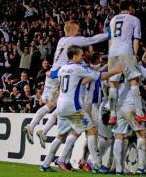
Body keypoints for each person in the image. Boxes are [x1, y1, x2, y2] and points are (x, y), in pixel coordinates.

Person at [24, 20, 109, 146]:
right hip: (59, 75)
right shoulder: (72, 41)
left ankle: (43, 131)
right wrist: (109, 35)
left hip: (56, 73)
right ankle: (31, 126)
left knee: (58, 107)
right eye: (77, 30)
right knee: (51, 106)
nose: (79, 32)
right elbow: (91, 40)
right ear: (73, 30)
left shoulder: (62, 40)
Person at [39, 45, 123, 173]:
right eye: (79, 55)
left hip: (61, 106)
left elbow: (51, 73)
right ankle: (96, 164)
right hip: (73, 106)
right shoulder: (79, 68)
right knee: (92, 131)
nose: (81, 57)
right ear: (74, 56)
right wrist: (115, 71)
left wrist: (50, 73)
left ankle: (45, 164)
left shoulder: (63, 68)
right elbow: (100, 75)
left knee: (61, 136)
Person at [108, 0, 146, 125]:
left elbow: (110, 39)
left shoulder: (113, 19)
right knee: (133, 82)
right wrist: (134, 55)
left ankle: (112, 115)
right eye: (133, 7)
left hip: (112, 52)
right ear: (130, 7)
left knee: (113, 84)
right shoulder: (134, 19)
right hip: (126, 51)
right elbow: (136, 40)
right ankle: (140, 113)